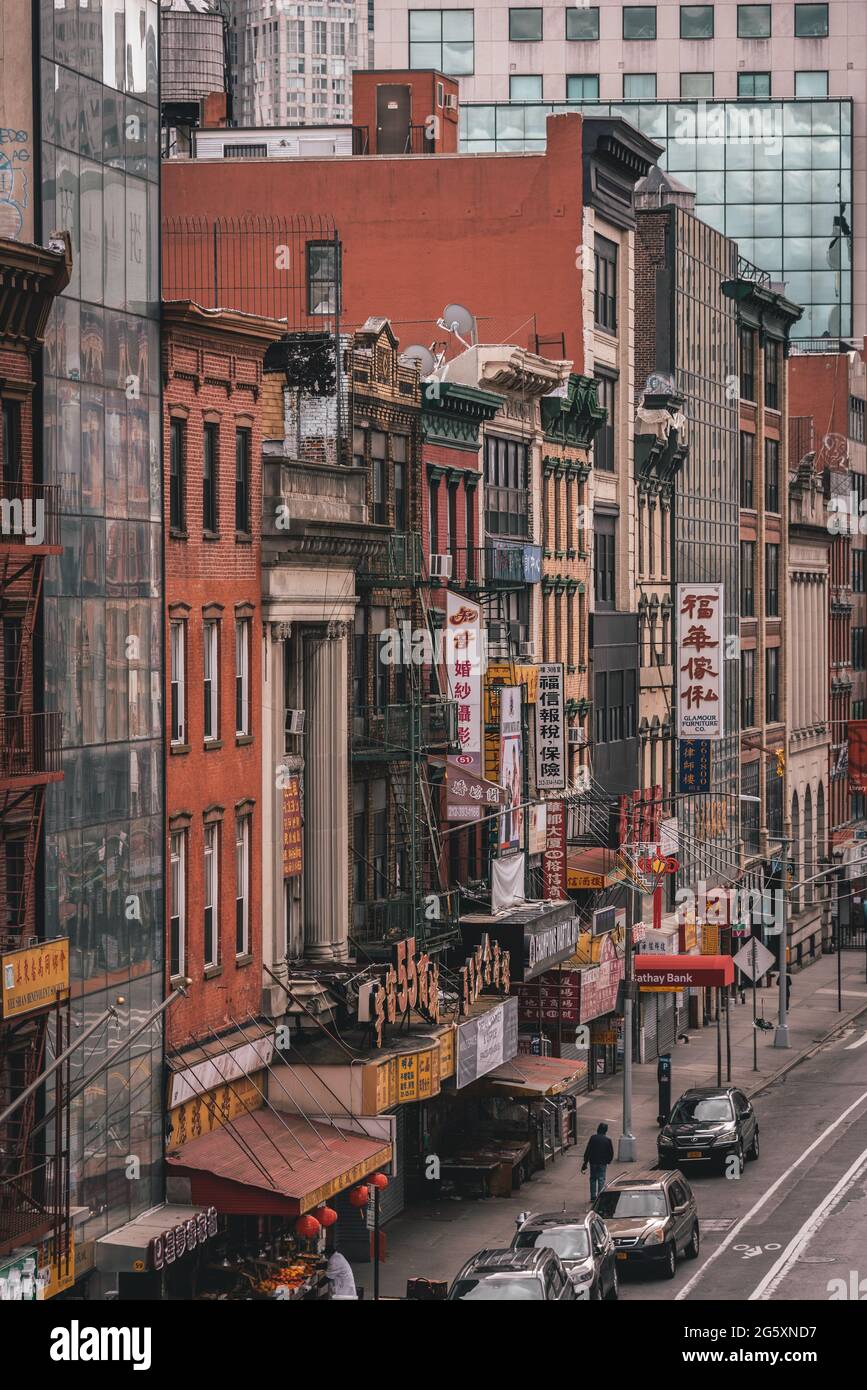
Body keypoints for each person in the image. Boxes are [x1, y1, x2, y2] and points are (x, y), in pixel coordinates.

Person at [581, 1122, 614, 1202]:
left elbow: (588, 1150)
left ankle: (593, 1196)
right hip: (602, 1162)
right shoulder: (608, 1140)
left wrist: (585, 1162)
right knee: (601, 1179)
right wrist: (608, 1161)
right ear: (606, 1131)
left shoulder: (593, 1138)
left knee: (593, 1178)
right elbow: (611, 1152)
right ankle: (600, 1196)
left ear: (598, 1129)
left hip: (593, 1162)